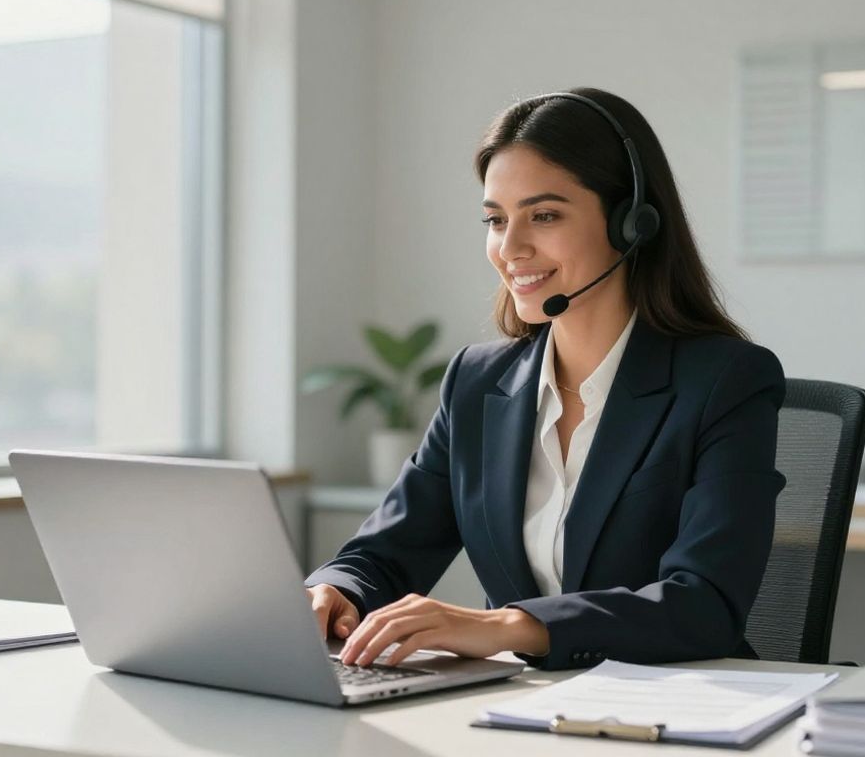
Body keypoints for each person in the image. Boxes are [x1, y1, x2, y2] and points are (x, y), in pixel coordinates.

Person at [305, 87, 786, 671]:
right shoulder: (476, 384)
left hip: (671, 711)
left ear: (631, 222)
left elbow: (703, 605)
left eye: (545, 215)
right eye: (495, 219)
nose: (510, 248)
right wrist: (337, 591)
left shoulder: (726, 380)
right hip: (516, 713)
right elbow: (385, 553)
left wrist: (510, 625)